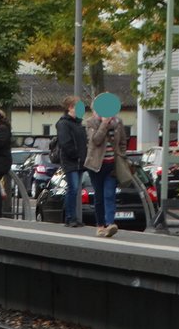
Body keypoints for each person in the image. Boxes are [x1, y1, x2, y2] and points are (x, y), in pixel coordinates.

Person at [85, 107, 129, 238]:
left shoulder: (118, 122)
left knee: (109, 195)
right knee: (99, 196)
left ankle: (110, 224)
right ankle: (100, 226)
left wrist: (121, 156)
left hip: (112, 165)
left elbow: (123, 142)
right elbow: (96, 140)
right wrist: (104, 123)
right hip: (96, 165)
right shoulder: (91, 123)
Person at [54, 95, 89, 228]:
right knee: (73, 189)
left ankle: (73, 217)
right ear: (70, 108)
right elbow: (65, 142)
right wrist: (76, 154)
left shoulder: (78, 123)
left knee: (75, 189)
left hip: (79, 161)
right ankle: (70, 217)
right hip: (71, 161)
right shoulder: (63, 123)